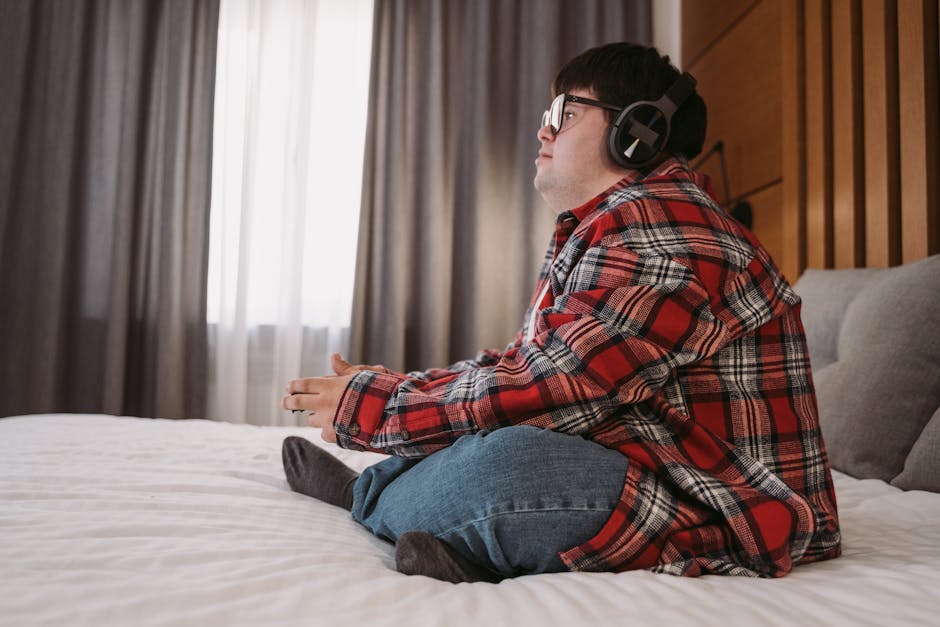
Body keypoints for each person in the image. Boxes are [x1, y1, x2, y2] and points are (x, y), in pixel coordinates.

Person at [281, 42, 841, 583]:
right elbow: (523, 366)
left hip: (710, 504)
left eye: (565, 112)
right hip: (639, 460)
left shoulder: (671, 232)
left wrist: (378, 407)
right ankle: (437, 529)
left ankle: (373, 498)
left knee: (506, 460)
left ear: (637, 133)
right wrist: (399, 387)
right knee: (482, 431)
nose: (544, 129)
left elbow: (562, 384)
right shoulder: (609, 225)